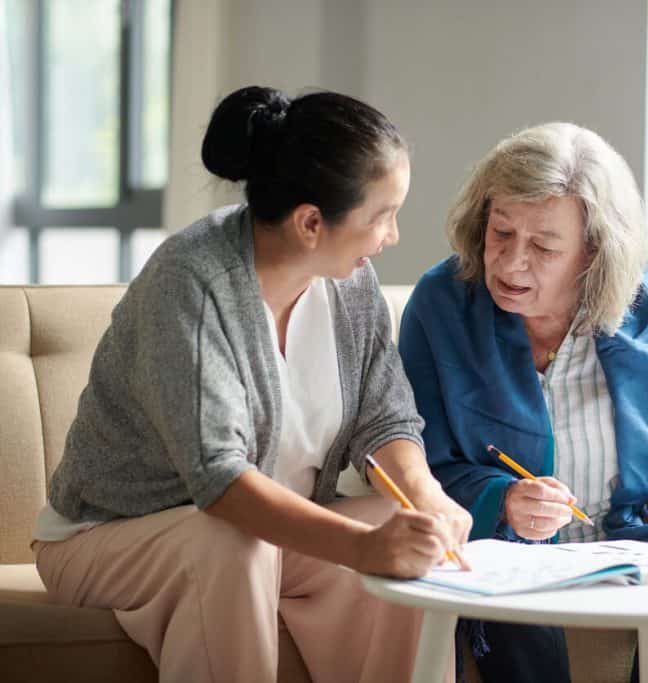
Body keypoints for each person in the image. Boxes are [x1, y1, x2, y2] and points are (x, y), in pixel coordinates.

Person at [30, 85, 471, 683]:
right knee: (234, 542)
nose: (391, 236)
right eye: (382, 217)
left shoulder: (350, 281)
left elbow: (385, 418)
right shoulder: (192, 282)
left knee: (395, 531)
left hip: (265, 536)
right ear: (311, 222)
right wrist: (360, 550)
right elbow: (219, 478)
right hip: (107, 537)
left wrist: (427, 501)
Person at [398, 122, 648, 683]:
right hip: (513, 548)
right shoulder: (442, 305)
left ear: (594, 252)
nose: (511, 264)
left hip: (644, 540)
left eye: (543, 247)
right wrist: (502, 499)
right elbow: (416, 457)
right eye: (500, 233)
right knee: (505, 576)